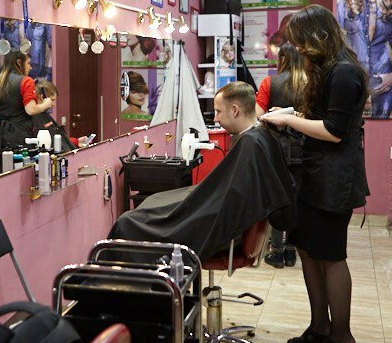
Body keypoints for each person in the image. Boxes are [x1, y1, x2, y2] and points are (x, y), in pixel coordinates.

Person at [261, 5, 369, 343]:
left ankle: (342, 339)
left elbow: (335, 131)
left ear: (318, 36)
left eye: (302, 42)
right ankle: (320, 326)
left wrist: (289, 120)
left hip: (334, 179)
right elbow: (321, 118)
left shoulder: (344, 73)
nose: (299, 49)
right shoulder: (328, 69)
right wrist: (291, 114)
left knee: (331, 255)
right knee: (308, 249)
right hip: (314, 174)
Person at [110, 82, 297, 259]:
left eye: (218, 111)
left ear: (235, 110)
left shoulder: (251, 143)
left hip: (218, 229)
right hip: (216, 215)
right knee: (153, 202)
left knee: (128, 223)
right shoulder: (259, 137)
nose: (215, 118)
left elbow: (225, 206)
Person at [255, 44, 306, 269]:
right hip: (304, 148)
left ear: (282, 59)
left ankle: (276, 252)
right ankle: (291, 251)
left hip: (277, 148)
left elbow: (258, 116)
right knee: (296, 198)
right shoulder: (308, 84)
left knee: (277, 196)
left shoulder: (270, 83)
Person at [336, 0, 392, 119]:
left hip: (384, 77)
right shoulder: (346, 6)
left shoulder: (391, 8)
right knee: (349, 121)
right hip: (353, 76)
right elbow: (337, 39)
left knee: (383, 122)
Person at [0, 50, 52, 168]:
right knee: (22, 172)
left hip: (0, 137)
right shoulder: (26, 81)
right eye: (28, 63)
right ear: (19, 62)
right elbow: (31, 109)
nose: (30, 68)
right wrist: (46, 104)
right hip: (20, 136)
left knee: (4, 172)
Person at [29, 79, 77, 152]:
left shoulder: (44, 115)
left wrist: (76, 141)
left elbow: (57, 138)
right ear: (42, 97)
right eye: (52, 100)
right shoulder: (35, 119)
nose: (53, 104)